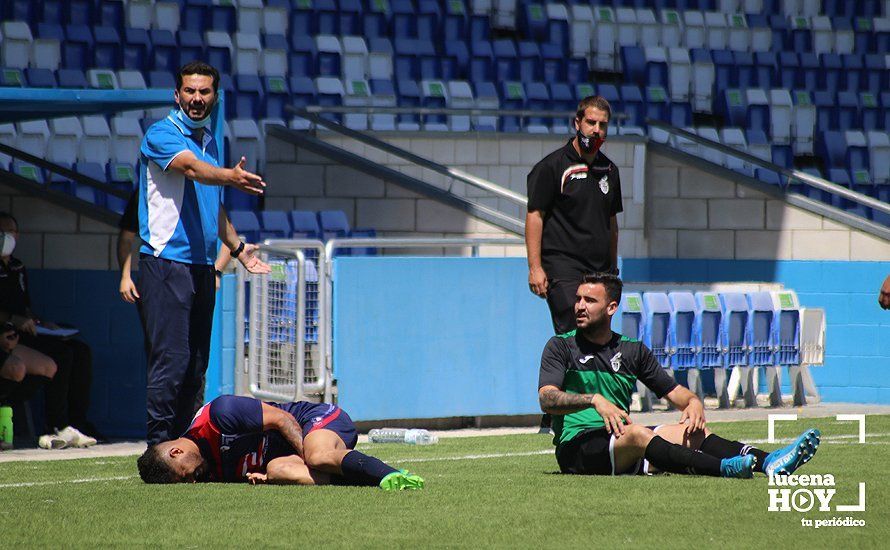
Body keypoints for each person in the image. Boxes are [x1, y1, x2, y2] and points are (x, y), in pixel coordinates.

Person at [538, 272, 821, 478]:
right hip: (578, 449)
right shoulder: (561, 345)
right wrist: (593, 400)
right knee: (638, 434)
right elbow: (547, 399)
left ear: (612, 308)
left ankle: (768, 461)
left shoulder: (631, 350)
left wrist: (694, 402)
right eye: (578, 299)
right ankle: (723, 469)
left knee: (692, 433)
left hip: (619, 438)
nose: (579, 306)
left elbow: (675, 393)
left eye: (589, 300)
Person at [137, 61, 271, 446]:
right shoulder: (161, 134)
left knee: (197, 365)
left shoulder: (210, 139)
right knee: (171, 361)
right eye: (190, 92)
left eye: (205, 92)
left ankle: (187, 445)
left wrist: (240, 250)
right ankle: (159, 447)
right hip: (166, 264)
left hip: (200, 267)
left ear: (216, 96)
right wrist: (230, 175)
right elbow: (193, 171)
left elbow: (212, 203)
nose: (197, 99)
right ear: (177, 95)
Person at [526, 96, 623, 433]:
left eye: (602, 125)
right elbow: (535, 216)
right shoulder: (553, 167)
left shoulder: (610, 170)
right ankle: (556, 406)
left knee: (595, 335)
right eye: (591, 123)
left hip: (599, 271)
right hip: (562, 267)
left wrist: (613, 269)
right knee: (573, 327)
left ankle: (564, 410)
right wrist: (535, 267)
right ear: (577, 123)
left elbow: (611, 223)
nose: (596, 130)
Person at [137, 394, 425, 490]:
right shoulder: (206, 468)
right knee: (279, 471)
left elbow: (283, 420)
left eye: (186, 476)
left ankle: (390, 474)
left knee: (318, 456)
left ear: (176, 452)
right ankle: (356, 473)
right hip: (292, 453)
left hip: (314, 419)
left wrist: (309, 455)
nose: (194, 482)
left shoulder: (219, 415)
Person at [0, 212, 97, 448]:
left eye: (11, 232)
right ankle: (52, 425)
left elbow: (25, 306)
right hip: (6, 336)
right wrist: (13, 319)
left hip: (22, 334)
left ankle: (72, 423)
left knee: (77, 351)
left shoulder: (17, 267)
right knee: (53, 360)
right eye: (2, 232)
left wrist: (39, 322)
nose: (7, 237)